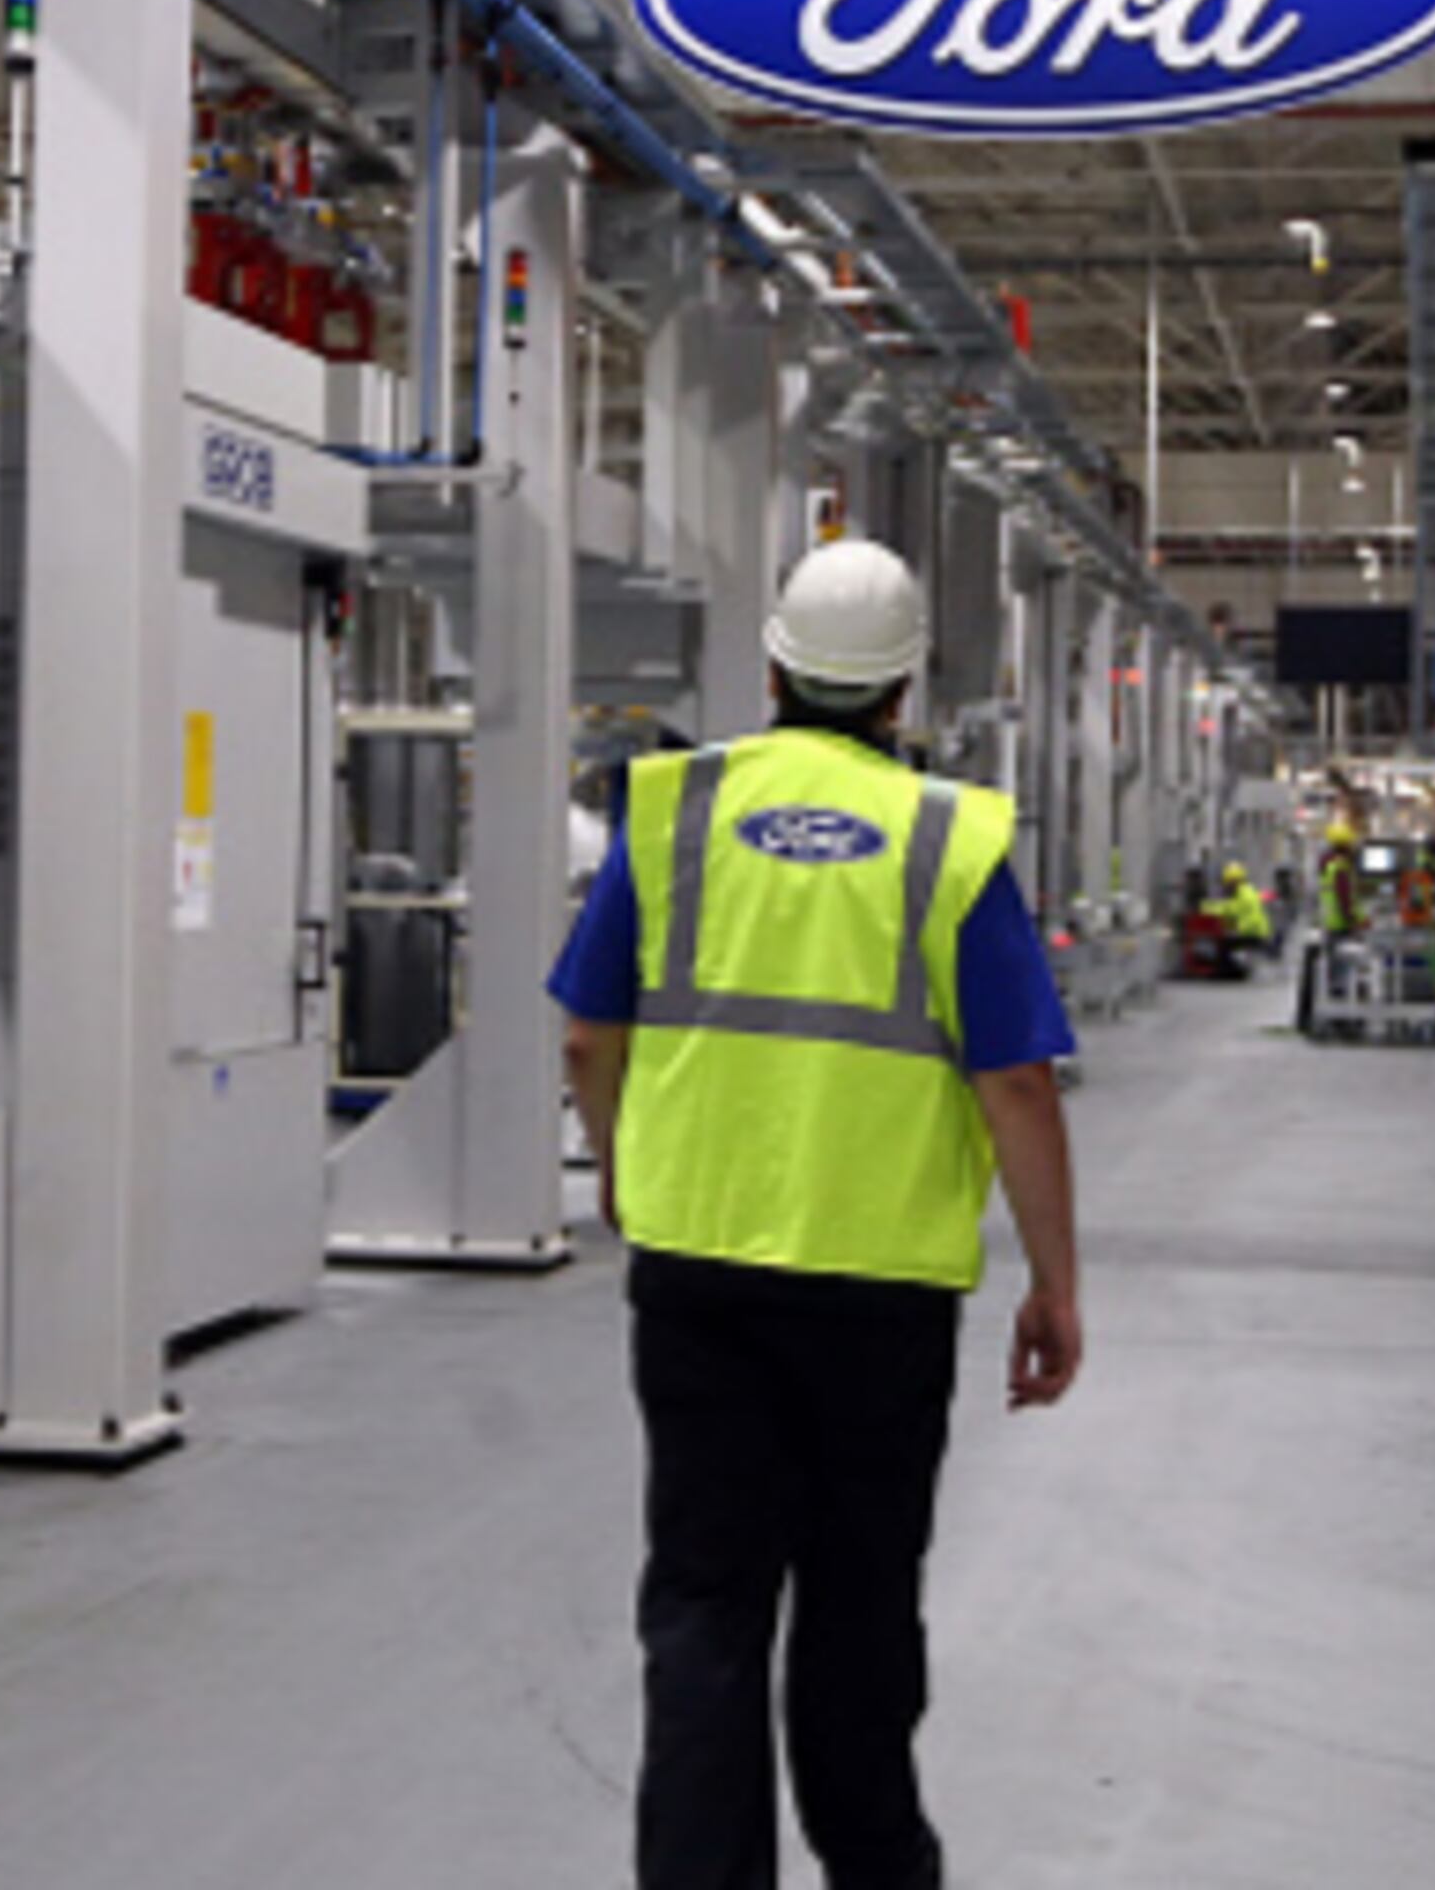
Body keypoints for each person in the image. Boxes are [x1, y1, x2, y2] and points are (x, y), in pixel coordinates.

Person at [552, 537, 1085, 1890]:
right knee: (858, 1604)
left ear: (775, 666)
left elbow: (587, 1038)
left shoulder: (672, 812)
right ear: (906, 689)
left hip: (698, 1272)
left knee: (705, 1607)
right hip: (880, 1292)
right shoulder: (950, 837)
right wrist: (1053, 1284)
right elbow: (1016, 1079)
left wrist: (621, 1167)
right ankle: (878, 1868)